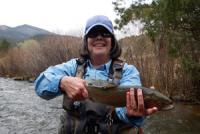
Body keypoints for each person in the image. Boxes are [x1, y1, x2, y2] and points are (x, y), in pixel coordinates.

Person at [34, 15, 157, 134]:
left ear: (112, 40)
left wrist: (130, 112)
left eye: (105, 33)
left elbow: (124, 110)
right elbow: (40, 85)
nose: (99, 37)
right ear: (86, 41)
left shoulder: (128, 71)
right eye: (93, 33)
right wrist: (62, 82)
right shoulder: (72, 67)